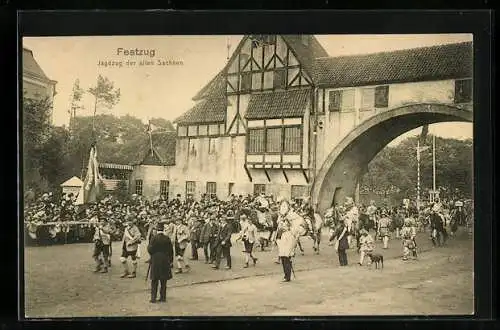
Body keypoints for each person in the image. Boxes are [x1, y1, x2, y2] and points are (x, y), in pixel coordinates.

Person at [147, 222, 174, 303]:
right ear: (163, 229)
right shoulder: (167, 238)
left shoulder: (154, 238)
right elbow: (171, 251)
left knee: (154, 280)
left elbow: (150, 250)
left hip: (155, 260)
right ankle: (163, 297)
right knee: (163, 280)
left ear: (157, 230)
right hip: (165, 260)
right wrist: (170, 260)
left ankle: (153, 298)